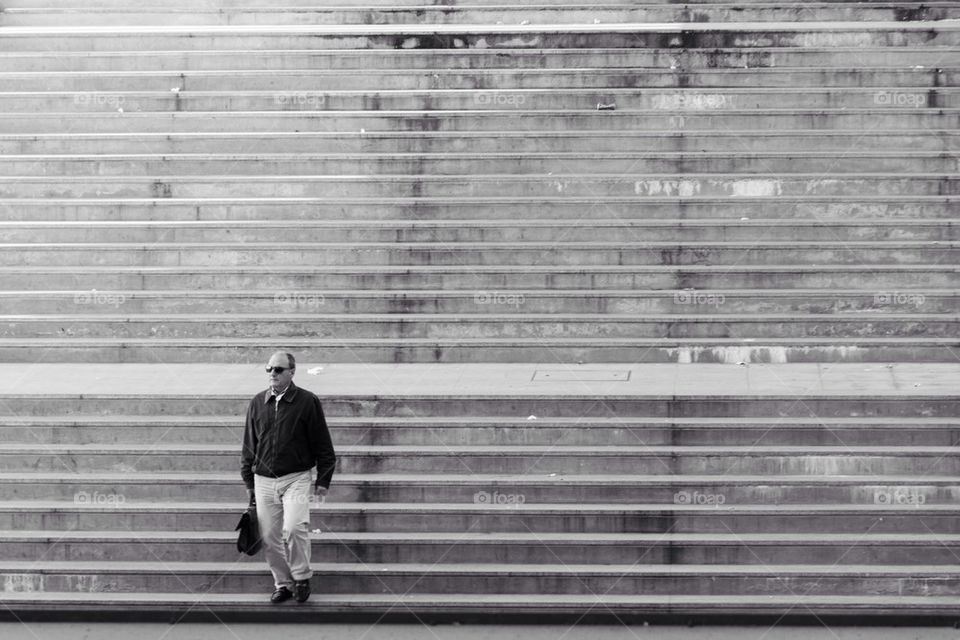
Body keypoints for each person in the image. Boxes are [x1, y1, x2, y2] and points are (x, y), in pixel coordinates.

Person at [241, 351, 336, 604]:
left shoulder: (307, 401)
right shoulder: (257, 402)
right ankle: (283, 584)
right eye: (269, 369)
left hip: (296, 477)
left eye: (279, 369)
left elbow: (323, 445)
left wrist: (323, 481)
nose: (273, 373)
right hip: (263, 480)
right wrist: (248, 481)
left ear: (292, 372)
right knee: (270, 538)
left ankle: (302, 577)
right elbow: (249, 445)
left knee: (294, 527)